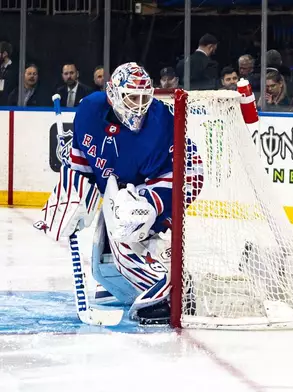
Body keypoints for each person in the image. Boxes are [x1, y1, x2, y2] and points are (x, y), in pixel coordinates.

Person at [35, 62, 202, 323]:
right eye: (131, 98)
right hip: (124, 187)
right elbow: (81, 164)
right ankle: (120, 277)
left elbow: (190, 171)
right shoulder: (90, 110)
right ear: (113, 94)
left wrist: (152, 204)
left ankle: (172, 283)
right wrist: (71, 197)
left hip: (173, 178)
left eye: (144, 98)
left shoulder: (161, 122)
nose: (139, 106)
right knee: (108, 250)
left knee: (129, 217)